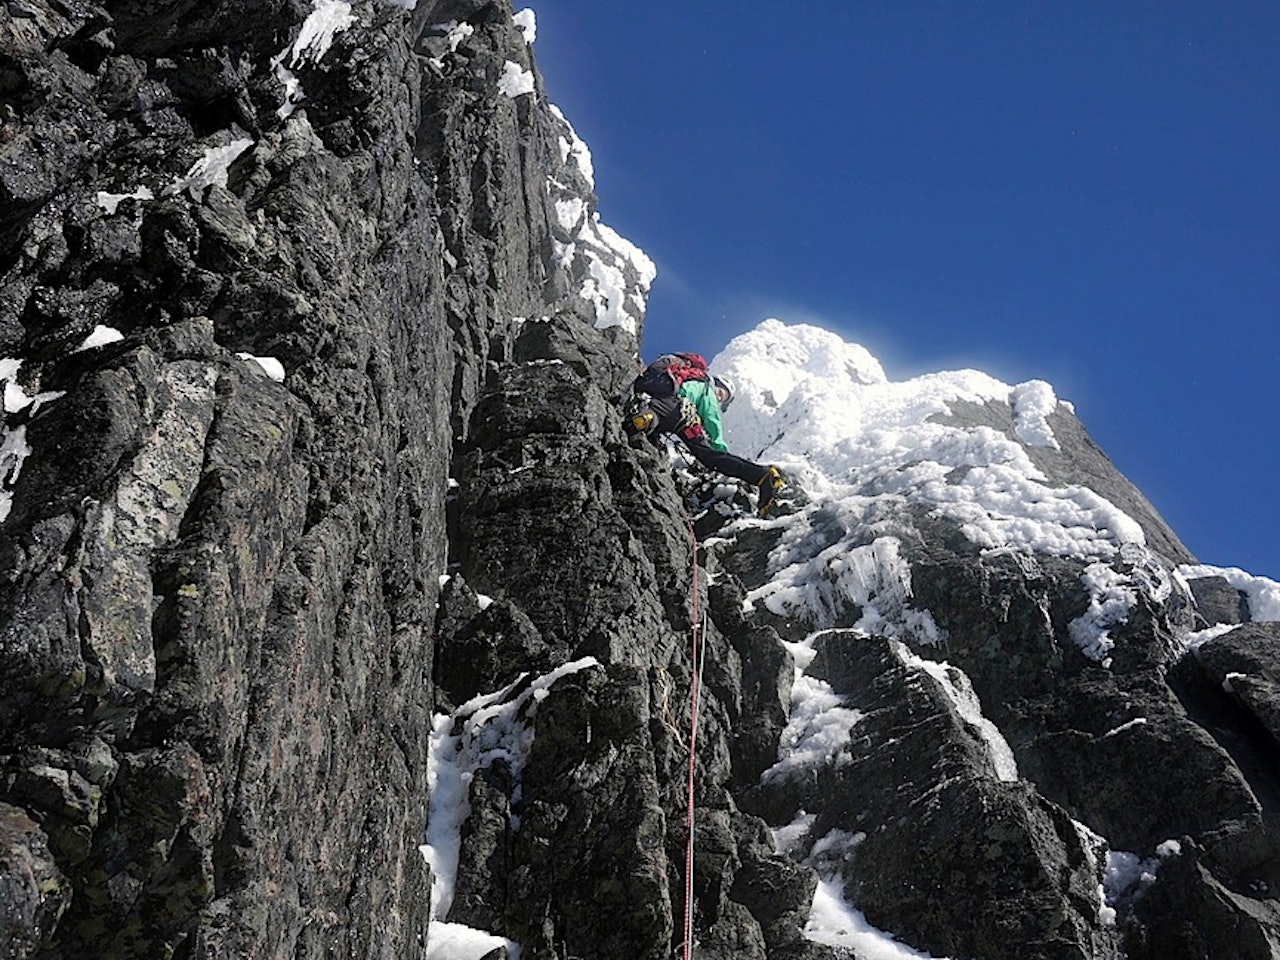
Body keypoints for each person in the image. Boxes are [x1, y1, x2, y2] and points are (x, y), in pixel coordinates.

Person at [624, 353, 785, 514]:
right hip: (680, 412)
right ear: (717, 384)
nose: (719, 398)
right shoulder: (706, 387)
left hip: (656, 397)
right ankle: (762, 475)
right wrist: (719, 448)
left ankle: (647, 418)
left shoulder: (680, 376)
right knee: (710, 457)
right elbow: (711, 419)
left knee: (656, 415)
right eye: (721, 394)